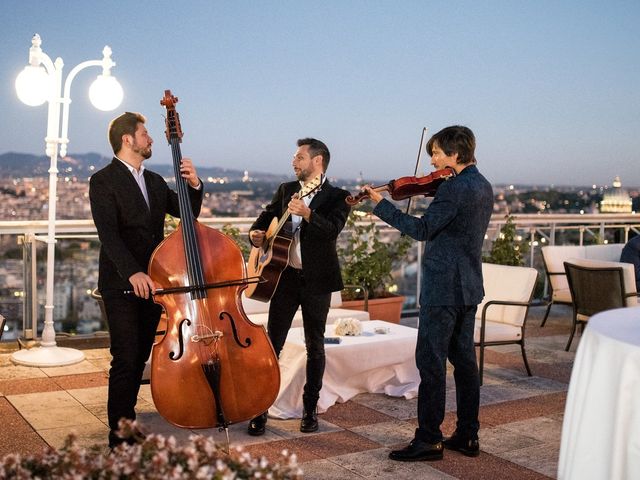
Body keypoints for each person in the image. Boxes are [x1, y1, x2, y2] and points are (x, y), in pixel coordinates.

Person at [362, 126, 493, 461]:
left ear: (454, 153)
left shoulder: (453, 189)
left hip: (442, 288)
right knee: (464, 363)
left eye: (436, 153)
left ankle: (429, 439)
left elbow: (421, 229)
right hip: (469, 287)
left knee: (431, 363)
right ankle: (467, 434)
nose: (432, 161)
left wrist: (381, 206)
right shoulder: (483, 185)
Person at [89, 111, 203, 448]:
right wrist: (133, 271)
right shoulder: (103, 180)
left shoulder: (153, 181)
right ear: (128, 139)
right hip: (122, 283)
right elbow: (108, 234)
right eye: (145, 133)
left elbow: (187, 212)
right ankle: (119, 436)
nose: (151, 139)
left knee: (140, 357)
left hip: (153, 283)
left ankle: (129, 421)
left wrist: (194, 185)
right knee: (125, 358)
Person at [247, 138, 350, 435]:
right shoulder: (285, 190)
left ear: (317, 161)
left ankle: (309, 410)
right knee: (273, 344)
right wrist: (256, 235)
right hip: (285, 277)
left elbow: (332, 231)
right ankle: (260, 410)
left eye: (300, 157)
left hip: (318, 281)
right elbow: (263, 220)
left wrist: (308, 214)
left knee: (315, 347)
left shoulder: (338, 197)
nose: (294, 161)